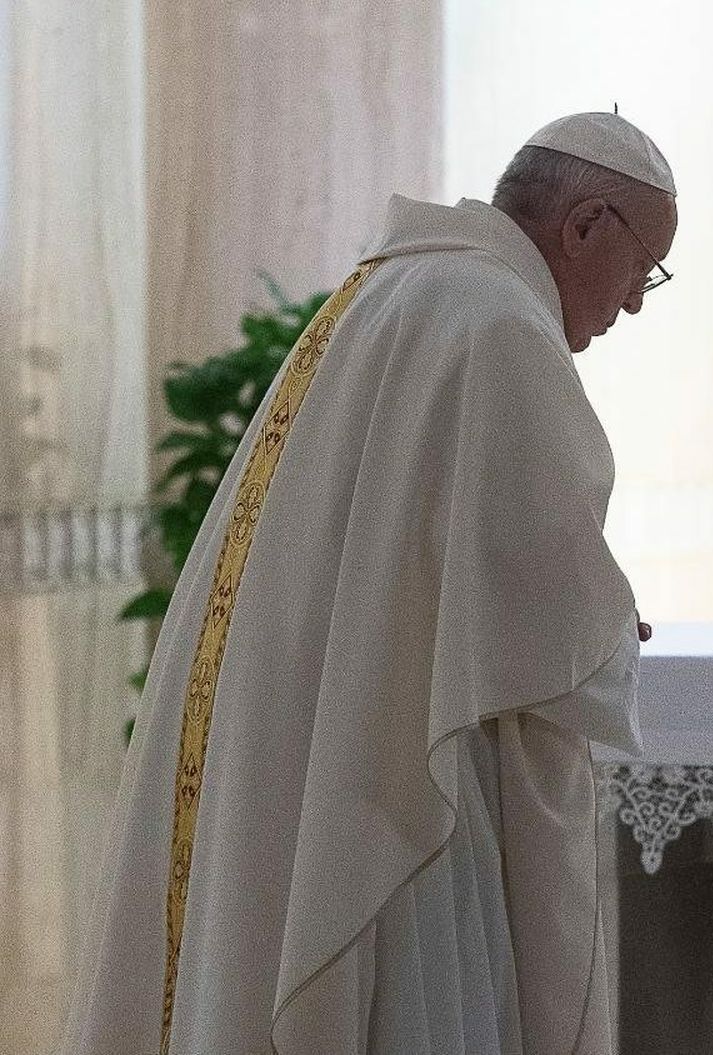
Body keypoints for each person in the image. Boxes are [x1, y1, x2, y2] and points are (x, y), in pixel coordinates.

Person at [62, 112, 675, 1055]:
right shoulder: (500, 325)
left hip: (329, 734)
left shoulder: (389, 291)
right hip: (402, 779)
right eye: (644, 269)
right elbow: (539, 604)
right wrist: (606, 626)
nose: (634, 303)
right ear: (586, 223)